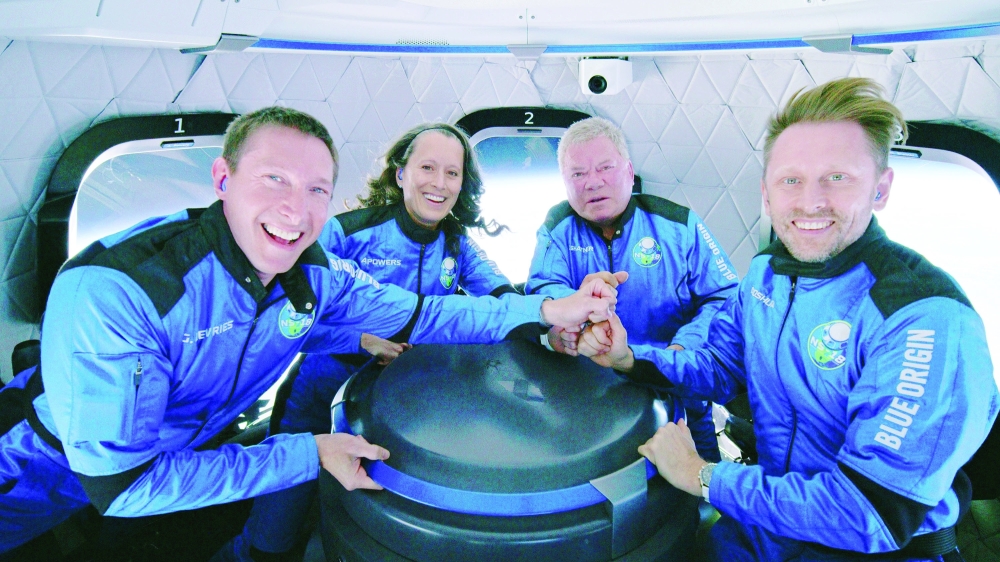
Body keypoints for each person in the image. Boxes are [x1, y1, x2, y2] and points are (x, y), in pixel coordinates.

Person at [0, 106, 619, 556]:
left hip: (185, 453)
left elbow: (427, 314)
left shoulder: (315, 275)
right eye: (274, 178)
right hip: (36, 462)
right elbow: (125, 485)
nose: (296, 210)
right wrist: (310, 450)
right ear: (222, 179)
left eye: (316, 188)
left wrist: (548, 312)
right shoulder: (121, 291)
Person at [578, 78, 997, 560]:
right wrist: (628, 358)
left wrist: (702, 475)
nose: (810, 201)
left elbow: (868, 513)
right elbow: (719, 365)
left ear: (880, 189)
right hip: (765, 528)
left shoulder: (923, 317)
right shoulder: (767, 275)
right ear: (766, 193)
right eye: (790, 180)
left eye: (837, 177)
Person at [228, 122, 519, 560]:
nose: (439, 183)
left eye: (452, 173)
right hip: (319, 392)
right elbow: (286, 318)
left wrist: (554, 319)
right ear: (401, 174)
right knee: (273, 535)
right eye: (427, 168)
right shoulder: (348, 233)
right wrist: (361, 340)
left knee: (363, 519)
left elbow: (504, 298)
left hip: (399, 402)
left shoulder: (458, 245)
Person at [525, 116, 739, 462]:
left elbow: (725, 298)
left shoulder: (679, 225)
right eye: (578, 174)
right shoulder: (557, 228)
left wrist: (683, 347)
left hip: (675, 389)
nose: (592, 182)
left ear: (629, 171)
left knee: (695, 485)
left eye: (605, 168)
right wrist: (574, 311)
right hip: (588, 399)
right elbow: (542, 290)